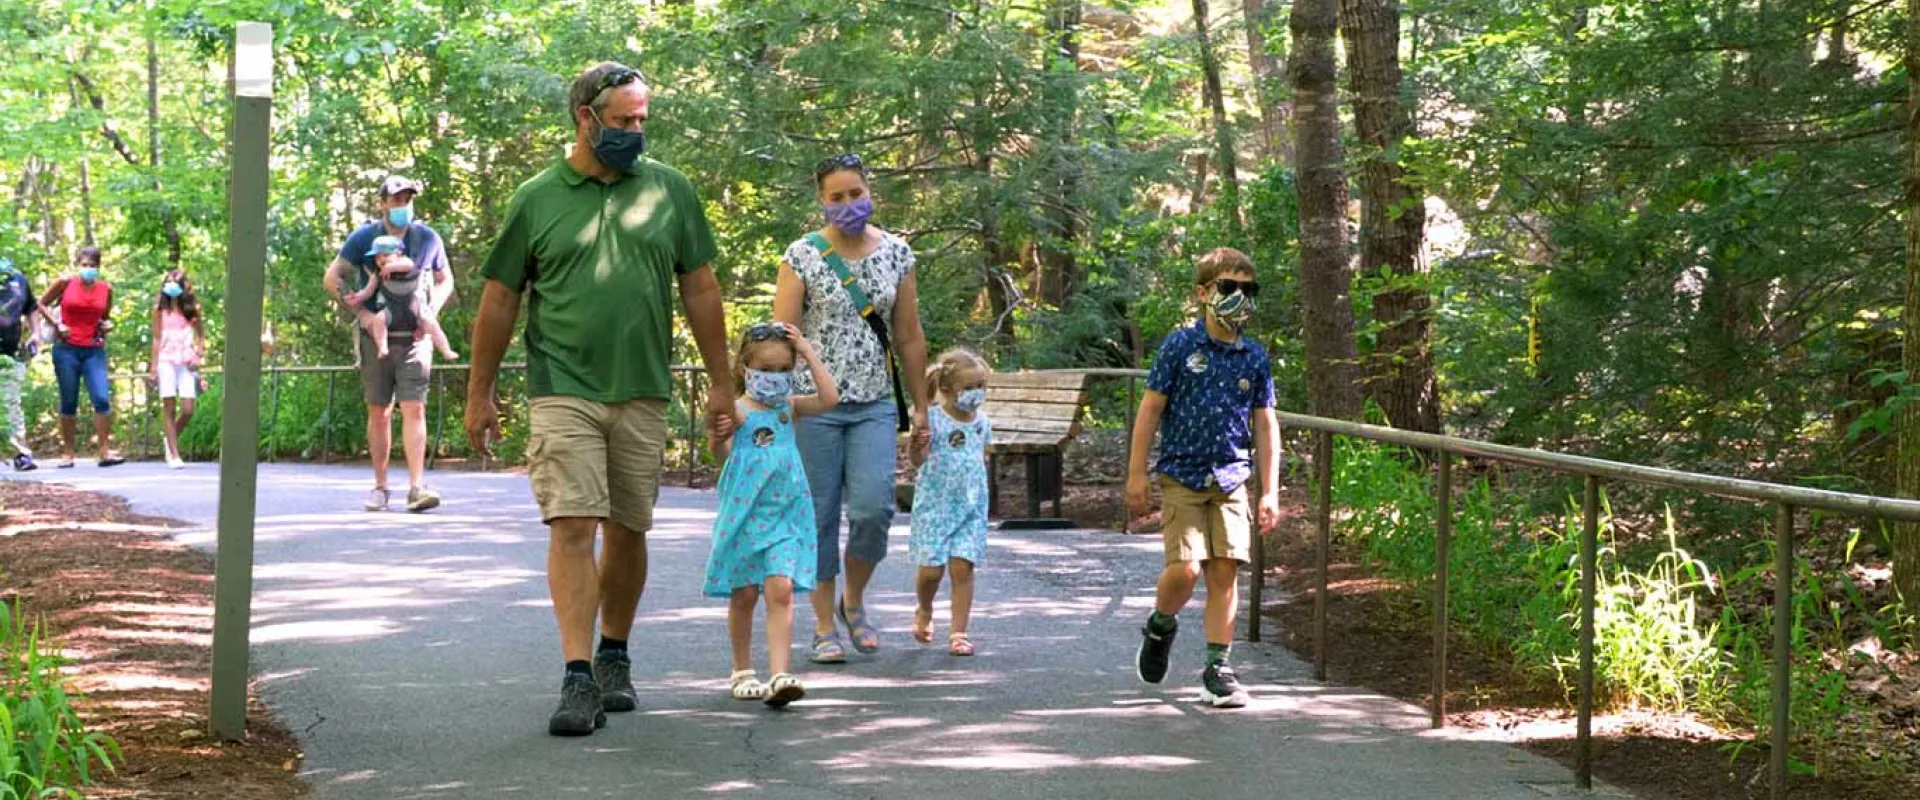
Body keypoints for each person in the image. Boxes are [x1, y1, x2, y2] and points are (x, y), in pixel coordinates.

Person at [464, 62, 737, 737]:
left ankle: (615, 652)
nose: (637, 132)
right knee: (573, 523)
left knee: (629, 527)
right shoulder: (537, 197)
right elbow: (500, 299)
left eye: (643, 120)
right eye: (624, 121)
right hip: (563, 388)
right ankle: (578, 675)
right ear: (587, 118)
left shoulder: (669, 191)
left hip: (642, 387)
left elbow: (700, 288)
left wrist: (722, 382)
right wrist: (480, 392)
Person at [772, 152, 933, 664]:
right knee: (817, 514)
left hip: (874, 402)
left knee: (873, 509)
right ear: (822, 201)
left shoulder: (897, 254)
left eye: (855, 194)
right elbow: (783, 338)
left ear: (870, 192)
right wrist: (771, 404)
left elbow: (908, 336)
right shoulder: (802, 255)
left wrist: (923, 407)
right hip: (815, 403)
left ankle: (853, 600)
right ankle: (823, 625)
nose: (848, 205)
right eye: (836, 197)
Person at [1124, 247, 1281, 710]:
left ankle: (1218, 667)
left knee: (1224, 570)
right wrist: (1136, 474)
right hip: (1182, 475)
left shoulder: (1253, 356)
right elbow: (1150, 408)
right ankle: (1161, 624)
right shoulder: (1180, 346)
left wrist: (1270, 489)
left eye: (1248, 290)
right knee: (1186, 569)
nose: (1239, 298)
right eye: (1228, 288)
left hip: (1232, 476)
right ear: (1203, 293)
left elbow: (1265, 423)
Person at [705, 322, 838, 708]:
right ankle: (742, 670)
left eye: (784, 370)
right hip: (746, 514)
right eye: (767, 370)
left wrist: (809, 353)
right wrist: (717, 435)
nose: (776, 379)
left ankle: (781, 673)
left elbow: (830, 398)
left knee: (780, 589)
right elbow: (723, 453)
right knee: (745, 593)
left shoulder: (790, 408)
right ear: (747, 367)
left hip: (786, 513)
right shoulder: (739, 409)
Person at [322, 174, 452, 513]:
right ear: (382, 203)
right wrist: (363, 315)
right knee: (380, 411)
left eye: (407, 199)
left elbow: (444, 278)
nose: (402, 206)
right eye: (395, 200)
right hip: (376, 336)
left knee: (415, 407)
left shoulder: (426, 238)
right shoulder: (364, 237)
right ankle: (380, 487)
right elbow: (332, 276)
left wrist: (431, 311)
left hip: (415, 339)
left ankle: (417, 487)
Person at [908, 348, 993, 657]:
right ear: (946, 389)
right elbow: (917, 461)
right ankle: (925, 609)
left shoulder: (982, 422)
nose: (976, 394)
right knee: (931, 572)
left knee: (962, 568)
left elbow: (979, 458)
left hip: (970, 508)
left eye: (980, 386)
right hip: (935, 506)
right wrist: (917, 446)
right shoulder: (932, 420)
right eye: (968, 388)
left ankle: (959, 632)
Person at [37, 246, 122, 468]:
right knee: (69, 400)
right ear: (78, 265)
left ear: (98, 267)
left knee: (102, 398)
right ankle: (68, 453)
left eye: (93, 265)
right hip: (66, 349)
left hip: (93, 349)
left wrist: (107, 325)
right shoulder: (65, 283)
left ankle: (104, 452)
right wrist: (57, 324)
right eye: (84, 265)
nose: (88, 269)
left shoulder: (106, 289)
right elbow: (40, 303)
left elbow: (105, 318)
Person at [348, 236, 459, 361]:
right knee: (378, 320)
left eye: (385, 255)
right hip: (390, 309)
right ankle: (382, 346)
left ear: (399, 253)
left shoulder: (406, 262)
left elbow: (409, 265)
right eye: (377, 257)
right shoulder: (377, 274)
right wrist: (358, 297)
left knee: (429, 321)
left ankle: (445, 349)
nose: (381, 260)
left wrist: (392, 267)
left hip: (414, 308)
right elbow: (368, 291)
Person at [149, 268, 207, 469]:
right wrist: (153, 367)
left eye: (177, 282)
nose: (172, 285)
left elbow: (201, 336)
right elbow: (156, 339)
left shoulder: (192, 311)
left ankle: (169, 436)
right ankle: (174, 453)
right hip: (166, 361)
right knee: (169, 405)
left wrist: (198, 355)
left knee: (188, 409)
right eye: (169, 281)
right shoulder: (159, 310)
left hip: (185, 362)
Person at [0, 257, 39, 471]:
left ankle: (21, 454)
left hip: (9, 354)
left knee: (11, 403)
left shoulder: (17, 278)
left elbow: (32, 307)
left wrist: (36, 334)